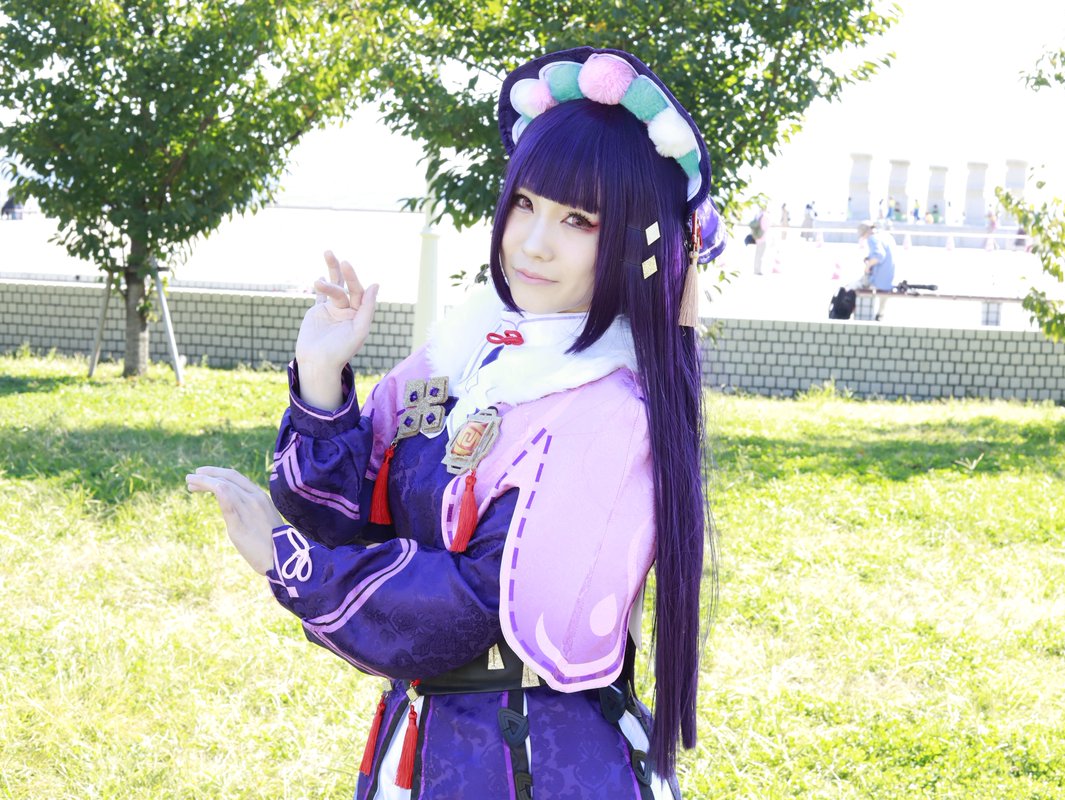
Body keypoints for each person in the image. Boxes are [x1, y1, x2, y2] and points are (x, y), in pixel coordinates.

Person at [186, 46, 720, 800]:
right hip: (427, 736)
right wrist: (321, 374)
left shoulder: (613, 411)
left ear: (636, 242)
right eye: (525, 203)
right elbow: (351, 506)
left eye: (578, 219)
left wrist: (294, 564)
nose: (533, 241)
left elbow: (474, 605)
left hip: (533, 763)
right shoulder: (467, 352)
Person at [855, 220, 897, 320]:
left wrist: (867, 266)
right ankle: (880, 313)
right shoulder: (887, 236)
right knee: (884, 293)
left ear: (866, 232)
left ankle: (864, 316)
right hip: (890, 277)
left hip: (879, 278)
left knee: (857, 286)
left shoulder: (872, 238)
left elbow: (879, 256)